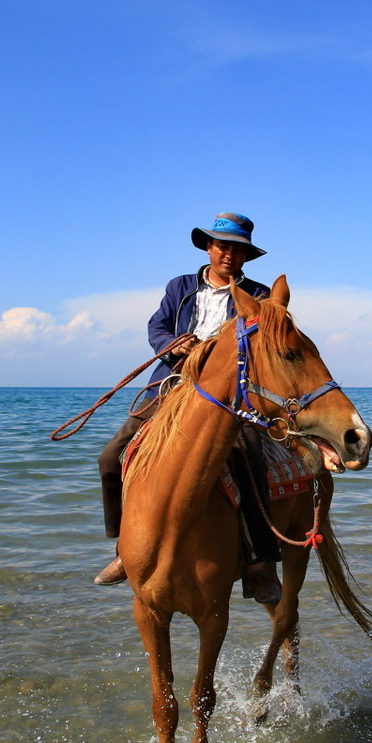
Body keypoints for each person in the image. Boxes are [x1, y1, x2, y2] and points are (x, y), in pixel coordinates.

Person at [93, 212, 282, 603]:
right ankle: (122, 551)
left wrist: (210, 351)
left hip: (229, 395)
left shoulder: (259, 295)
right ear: (209, 248)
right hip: (169, 385)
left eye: (238, 249)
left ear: (246, 256)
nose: (228, 254)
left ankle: (261, 562)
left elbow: (261, 342)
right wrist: (172, 343)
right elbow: (156, 326)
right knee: (112, 457)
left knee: (249, 458)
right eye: (222, 246)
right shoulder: (179, 287)